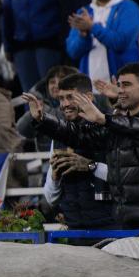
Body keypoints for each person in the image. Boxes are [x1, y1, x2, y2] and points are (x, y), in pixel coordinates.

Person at [30, 63, 139, 228]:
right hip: (125, 220)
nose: (120, 90)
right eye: (119, 85)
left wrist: (104, 120)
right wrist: (43, 119)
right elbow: (80, 136)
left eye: (126, 85)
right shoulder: (116, 123)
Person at [24, 73, 114, 229]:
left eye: (70, 97)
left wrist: (90, 166)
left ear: (89, 97)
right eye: (61, 98)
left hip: (110, 229)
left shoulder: (110, 128)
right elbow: (51, 198)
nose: (64, 104)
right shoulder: (58, 138)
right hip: (74, 230)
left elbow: (126, 179)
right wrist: (55, 176)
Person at [66, 0, 139, 84]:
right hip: (90, 89)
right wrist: (83, 36)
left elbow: (121, 43)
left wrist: (92, 27)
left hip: (122, 86)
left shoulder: (128, 8)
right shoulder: (84, 11)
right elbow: (72, 52)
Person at [2, 0, 66, 91]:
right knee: (29, 93)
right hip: (21, 46)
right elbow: (6, 15)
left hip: (48, 43)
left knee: (52, 91)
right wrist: (8, 46)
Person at [16, 65, 79, 153]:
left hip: (75, 158)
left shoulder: (80, 102)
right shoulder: (43, 103)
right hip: (47, 160)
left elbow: (61, 120)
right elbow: (22, 130)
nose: (56, 85)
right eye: (52, 82)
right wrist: (32, 114)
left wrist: (43, 112)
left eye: (61, 80)